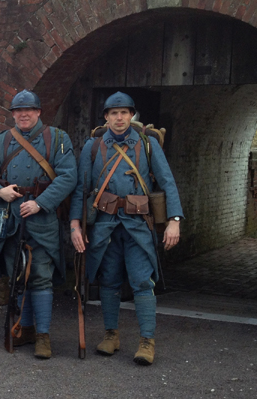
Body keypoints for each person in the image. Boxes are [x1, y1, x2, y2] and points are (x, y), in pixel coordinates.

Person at [70, 92, 182, 366]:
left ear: (131, 115)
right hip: (105, 225)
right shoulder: (92, 147)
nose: (119, 118)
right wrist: (75, 223)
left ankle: (147, 341)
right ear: (106, 117)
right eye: (113, 113)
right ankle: (111, 335)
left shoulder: (147, 145)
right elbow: (81, 188)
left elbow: (167, 182)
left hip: (137, 224)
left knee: (143, 281)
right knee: (108, 280)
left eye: (124, 113)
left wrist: (174, 220)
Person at [0, 90, 77, 359]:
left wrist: (40, 203)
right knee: (18, 275)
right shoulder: (1, 142)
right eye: (18, 111)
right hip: (10, 217)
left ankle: (43, 336)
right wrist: (0, 192)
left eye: (29, 110)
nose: (23, 114)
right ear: (12, 114)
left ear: (39, 112)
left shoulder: (57, 139)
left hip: (41, 217)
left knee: (41, 276)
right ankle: (25, 328)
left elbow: (68, 177)